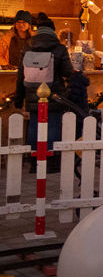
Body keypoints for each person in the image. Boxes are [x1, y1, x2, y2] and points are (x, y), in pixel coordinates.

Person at [16, 13, 73, 169]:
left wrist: (19, 98)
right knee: (53, 125)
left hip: (32, 94)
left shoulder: (27, 46)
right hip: (54, 94)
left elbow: (21, 74)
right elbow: (68, 72)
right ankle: (52, 162)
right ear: (53, 32)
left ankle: (35, 161)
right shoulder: (59, 48)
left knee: (34, 125)